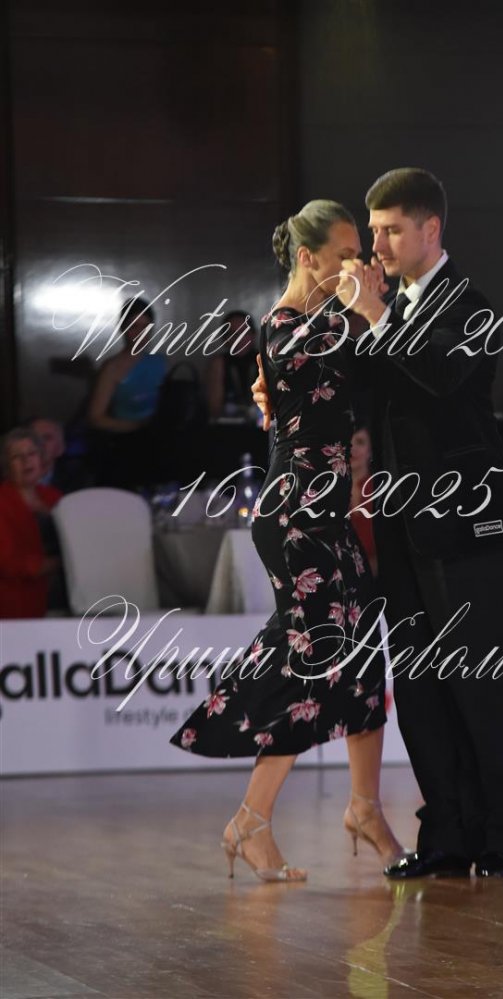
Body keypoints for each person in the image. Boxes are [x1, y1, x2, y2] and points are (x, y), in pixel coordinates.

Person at [254, 168, 503, 879]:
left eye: (389, 230)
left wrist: (376, 315)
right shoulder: (383, 308)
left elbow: (438, 376)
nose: (374, 246)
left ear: (430, 230)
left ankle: (492, 840)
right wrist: (274, 385)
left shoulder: (469, 305)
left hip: (470, 525)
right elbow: (340, 389)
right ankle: (443, 835)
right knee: (419, 686)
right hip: (403, 526)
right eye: (372, 231)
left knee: (477, 682)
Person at [170, 200, 404, 882]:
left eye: (360, 252)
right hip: (294, 519)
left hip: (326, 515)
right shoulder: (288, 326)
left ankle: (364, 807)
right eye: (345, 254)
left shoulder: (328, 321)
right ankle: (252, 820)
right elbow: (353, 348)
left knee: (362, 652)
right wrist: (368, 305)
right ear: (308, 258)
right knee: (311, 662)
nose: (358, 264)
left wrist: (369, 307)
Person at [87, 297, 167, 487]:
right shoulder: (112, 368)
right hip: (124, 444)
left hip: (158, 442)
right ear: (123, 328)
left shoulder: (160, 362)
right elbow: (96, 417)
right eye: (134, 327)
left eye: (145, 327)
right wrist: (135, 425)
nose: (140, 333)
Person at [0, 428, 63, 619]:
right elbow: (8, 563)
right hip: (15, 601)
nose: (26, 461)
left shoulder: (54, 497)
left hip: (63, 597)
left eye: (31, 454)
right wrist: (58, 563)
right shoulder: (2, 501)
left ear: (41, 459)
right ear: (6, 465)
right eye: (16, 457)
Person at [205, 310, 259, 419]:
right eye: (233, 334)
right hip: (228, 424)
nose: (239, 338)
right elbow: (214, 408)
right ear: (225, 338)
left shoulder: (264, 361)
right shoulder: (219, 363)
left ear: (253, 335)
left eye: (244, 333)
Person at [349, 423, 378, 577]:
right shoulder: (332, 491)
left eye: (360, 442)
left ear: (370, 451)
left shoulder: (378, 490)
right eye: (349, 442)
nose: (352, 448)